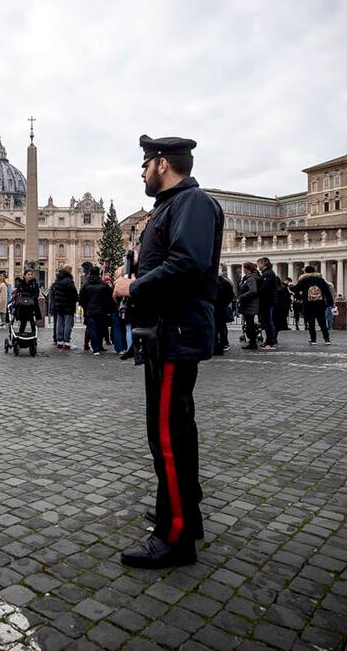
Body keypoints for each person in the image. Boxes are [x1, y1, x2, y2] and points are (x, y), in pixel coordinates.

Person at [112, 134, 222, 568]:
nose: (140, 172)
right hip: (164, 331)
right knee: (173, 432)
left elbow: (188, 263)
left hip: (175, 332)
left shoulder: (191, 204)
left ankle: (175, 537)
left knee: (169, 436)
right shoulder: (171, 207)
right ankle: (179, 512)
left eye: (145, 164)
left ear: (162, 163)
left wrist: (134, 284)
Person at [291, 266, 333, 345]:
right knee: (322, 322)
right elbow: (327, 292)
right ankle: (327, 339)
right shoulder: (320, 280)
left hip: (308, 304)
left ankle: (313, 340)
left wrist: (290, 286)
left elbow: (295, 289)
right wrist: (330, 303)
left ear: (306, 272)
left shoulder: (304, 280)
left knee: (311, 323)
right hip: (320, 304)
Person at [78, 266, 113, 355]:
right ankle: (100, 346)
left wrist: (85, 307)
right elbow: (109, 298)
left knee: (92, 329)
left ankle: (95, 348)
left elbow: (81, 298)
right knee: (101, 328)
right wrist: (107, 308)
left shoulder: (85, 284)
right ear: (99, 274)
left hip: (90, 310)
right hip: (102, 310)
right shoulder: (104, 285)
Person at [49, 265, 78, 349]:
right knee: (68, 324)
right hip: (68, 305)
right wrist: (76, 299)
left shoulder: (57, 280)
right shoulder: (69, 281)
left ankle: (59, 341)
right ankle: (67, 342)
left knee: (59, 323)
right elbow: (74, 293)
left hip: (59, 305)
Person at [255, 257, 278, 350]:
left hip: (267, 301)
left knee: (268, 322)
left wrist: (256, 291)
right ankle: (269, 341)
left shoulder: (268, 274)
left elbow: (263, 288)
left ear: (264, 264)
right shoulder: (267, 273)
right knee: (267, 321)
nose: (258, 266)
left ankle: (271, 342)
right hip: (268, 301)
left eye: (259, 264)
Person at [236, 262, 260, 350]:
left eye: (244, 268)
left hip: (250, 304)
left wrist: (241, 296)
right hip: (250, 304)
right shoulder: (251, 277)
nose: (243, 270)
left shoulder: (250, 278)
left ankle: (253, 342)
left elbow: (253, 290)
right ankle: (252, 342)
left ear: (247, 268)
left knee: (250, 324)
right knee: (249, 323)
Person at [213, 269, 235, 355]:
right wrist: (225, 303)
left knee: (214, 328)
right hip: (222, 307)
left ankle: (214, 347)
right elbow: (231, 295)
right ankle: (222, 346)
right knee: (222, 328)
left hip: (213, 307)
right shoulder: (226, 283)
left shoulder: (211, 282)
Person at [13, 270, 41, 336]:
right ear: (24, 275)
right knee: (23, 320)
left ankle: (34, 334)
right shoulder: (21, 284)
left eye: (31, 274)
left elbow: (37, 293)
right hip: (23, 305)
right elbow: (19, 292)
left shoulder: (34, 284)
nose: (30, 276)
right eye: (28, 274)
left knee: (32, 320)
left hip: (32, 305)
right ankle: (21, 333)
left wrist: (32, 300)